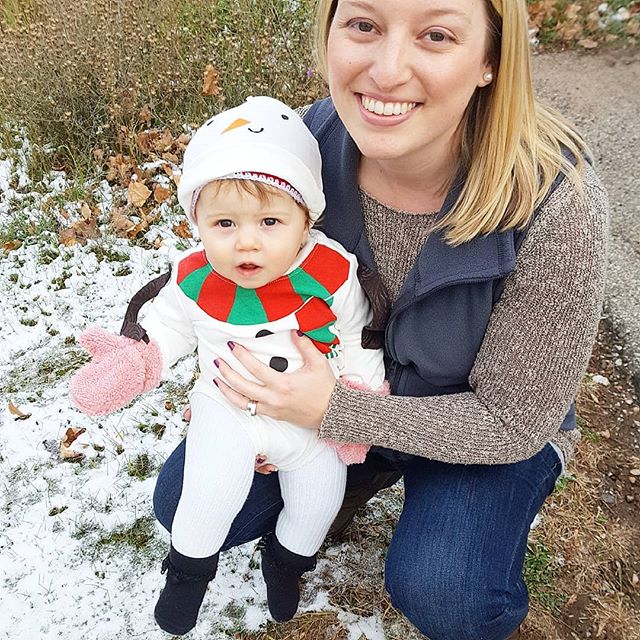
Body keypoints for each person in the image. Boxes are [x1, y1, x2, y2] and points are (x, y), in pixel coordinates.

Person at [153, 1, 610, 639]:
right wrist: (237, 384)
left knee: (447, 590)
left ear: (490, 61)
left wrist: (332, 412)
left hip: (482, 429)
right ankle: (352, 477)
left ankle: (446, 523)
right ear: (330, 31)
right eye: (364, 25)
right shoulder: (295, 154)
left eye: (437, 34)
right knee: (186, 506)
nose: (388, 70)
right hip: (324, 396)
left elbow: (514, 422)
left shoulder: (556, 201)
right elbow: (215, 267)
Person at [70, 96, 386, 635]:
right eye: (223, 222)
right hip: (229, 405)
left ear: (305, 218)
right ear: (198, 223)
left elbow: (358, 333)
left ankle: (287, 563)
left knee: (320, 496)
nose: (246, 241)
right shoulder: (195, 278)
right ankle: (188, 575)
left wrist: (359, 399)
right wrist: (136, 361)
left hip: (312, 414)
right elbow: (162, 325)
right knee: (210, 488)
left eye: (269, 220)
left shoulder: (331, 269)